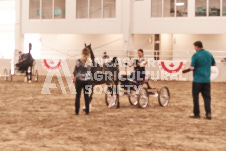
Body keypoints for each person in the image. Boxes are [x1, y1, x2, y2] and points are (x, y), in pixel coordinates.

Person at [183, 41, 216, 120]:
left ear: (197, 46)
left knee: (195, 97)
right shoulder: (209, 54)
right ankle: (208, 113)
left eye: (194, 47)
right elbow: (214, 64)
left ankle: (197, 114)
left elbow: (192, 67)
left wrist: (185, 71)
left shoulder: (195, 55)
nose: (194, 48)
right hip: (207, 80)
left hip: (197, 80)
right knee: (207, 97)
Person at [73, 48, 91, 115]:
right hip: (87, 81)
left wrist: (74, 78)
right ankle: (87, 111)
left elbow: (75, 71)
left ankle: (76, 111)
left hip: (79, 80)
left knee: (78, 96)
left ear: (82, 53)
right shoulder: (89, 62)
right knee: (86, 96)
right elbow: (90, 71)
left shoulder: (78, 61)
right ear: (88, 54)